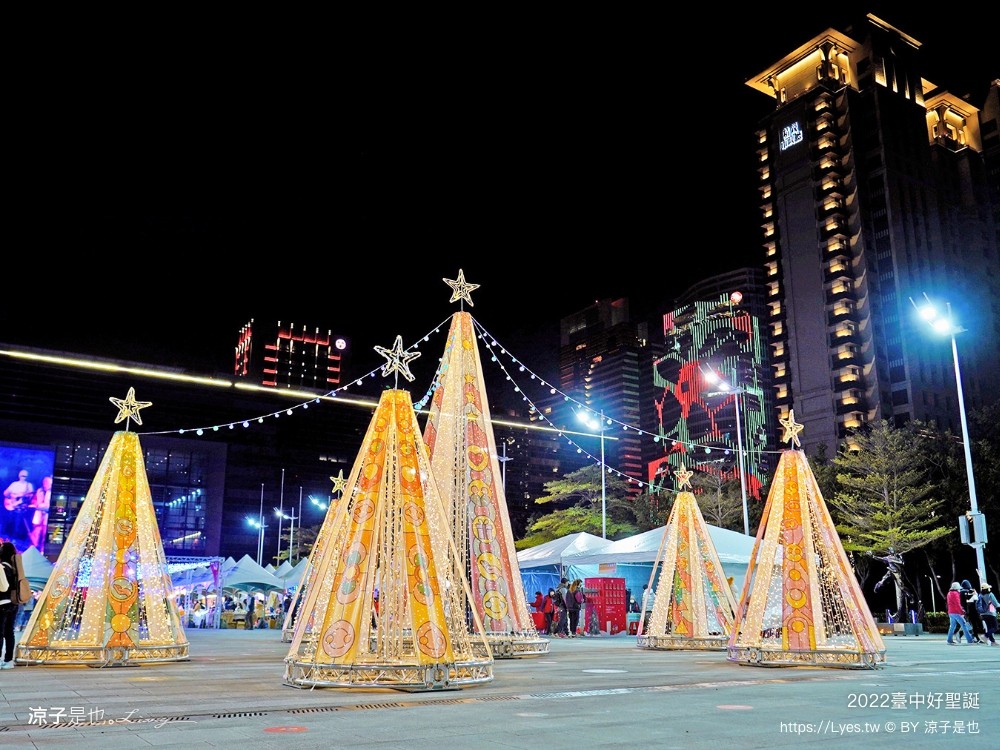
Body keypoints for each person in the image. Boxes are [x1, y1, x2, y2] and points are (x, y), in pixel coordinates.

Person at [2, 470, 34, 544]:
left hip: (22, 508)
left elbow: (30, 496)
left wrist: (25, 497)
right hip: (12, 507)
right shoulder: (14, 484)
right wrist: (13, 497)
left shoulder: (29, 485)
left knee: (20, 524)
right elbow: (5, 493)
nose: (24, 478)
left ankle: (19, 540)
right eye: (22, 476)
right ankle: (10, 539)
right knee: (11, 523)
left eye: (26, 476)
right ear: (19, 476)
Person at [0, 541, 19, 668]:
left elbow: (3, 587)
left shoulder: (2, 567)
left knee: (0, 632)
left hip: (2, 603)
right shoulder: (15, 568)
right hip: (14, 603)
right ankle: (8, 660)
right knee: (9, 632)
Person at [27, 475, 51, 553]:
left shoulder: (51, 492)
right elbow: (34, 501)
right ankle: (32, 549)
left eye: (47, 482)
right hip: (38, 515)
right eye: (44, 482)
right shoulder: (39, 491)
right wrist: (32, 505)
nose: (45, 483)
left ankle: (42, 551)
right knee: (35, 533)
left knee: (45, 534)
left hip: (47, 517)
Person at [961, 579, 985, 643]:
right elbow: (976, 600)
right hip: (974, 611)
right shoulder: (971, 592)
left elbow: (965, 601)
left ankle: (975, 637)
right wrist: (974, 594)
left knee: (971, 625)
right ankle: (978, 637)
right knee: (978, 624)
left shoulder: (961, 592)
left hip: (967, 612)